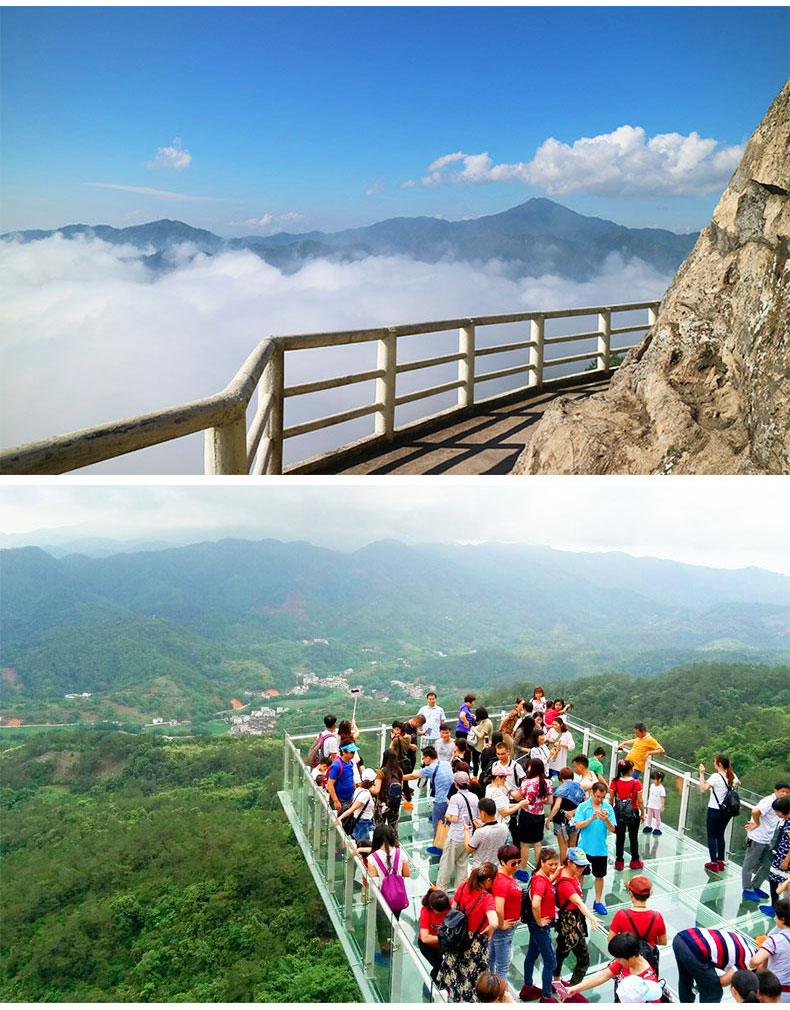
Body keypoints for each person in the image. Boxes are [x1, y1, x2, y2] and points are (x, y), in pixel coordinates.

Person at [436, 862, 499, 1003]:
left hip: (458, 936)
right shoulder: (487, 898)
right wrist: (487, 930)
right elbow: (494, 922)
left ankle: (455, 998)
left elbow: (453, 908)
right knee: (472, 978)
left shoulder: (464, 885)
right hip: (474, 942)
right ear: (488, 880)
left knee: (455, 971)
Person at [565, 932, 663, 1002]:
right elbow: (602, 976)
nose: (617, 961)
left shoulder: (649, 982)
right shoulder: (625, 961)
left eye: (618, 958)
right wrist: (575, 988)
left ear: (631, 957)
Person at [554, 847, 602, 988]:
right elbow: (578, 902)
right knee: (584, 959)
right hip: (570, 922)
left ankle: (555, 980)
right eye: (579, 865)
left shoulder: (566, 872)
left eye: (584, 865)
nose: (582, 868)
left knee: (562, 951)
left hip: (570, 920)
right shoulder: (566, 883)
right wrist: (591, 917)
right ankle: (572, 989)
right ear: (569, 862)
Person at [672, 926, 758, 1003]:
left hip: (683, 937)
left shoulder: (748, 947)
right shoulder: (749, 963)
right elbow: (722, 981)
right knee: (714, 992)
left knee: (686, 979)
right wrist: (704, 983)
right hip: (695, 949)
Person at [519, 847, 560, 1003]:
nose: (554, 867)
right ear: (541, 862)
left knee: (531, 955)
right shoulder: (540, 882)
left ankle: (528, 987)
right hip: (540, 927)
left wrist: (554, 875)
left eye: (556, 864)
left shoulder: (539, 877)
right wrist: (539, 921)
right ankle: (546, 997)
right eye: (551, 864)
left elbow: (543, 886)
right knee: (550, 962)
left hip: (537, 925)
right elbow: (536, 903)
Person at [570, 781, 617, 915]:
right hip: (584, 848)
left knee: (599, 876)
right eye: (597, 796)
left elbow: (613, 829)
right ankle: (578, 900)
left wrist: (606, 820)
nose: (599, 799)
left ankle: (597, 901)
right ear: (592, 793)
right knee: (580, 875)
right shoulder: (583, 807)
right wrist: (591, 819)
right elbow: (578, 825)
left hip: (600, 849)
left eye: (602, 797)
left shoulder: (608, 808)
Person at [367, 824, 411, 962]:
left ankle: (386, 953)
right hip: (397, 897)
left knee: (382, 926)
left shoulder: (373, 858)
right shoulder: (400, 853)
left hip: (382, 898)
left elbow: (373, 881)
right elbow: (407, 873)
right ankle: (394, 944)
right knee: (394, 921)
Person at [608, 876, 667, 970]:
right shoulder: (657, 916)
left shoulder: (621, 914)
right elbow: (663, 942)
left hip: (627, 960)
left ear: (631, 894)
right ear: (649, 894)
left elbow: (610, 939)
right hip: (648, 962)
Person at [743, 784, 790, 902]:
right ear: (776, 790)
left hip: (766, 840)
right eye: (782, 791)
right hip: (756, 839)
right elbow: (755, 811)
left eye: (787, 792)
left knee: (768, 864)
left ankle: (755, 886)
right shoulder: (769, 801)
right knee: (750, 865)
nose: (784, 794)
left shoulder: (781, 805)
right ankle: (747, 889)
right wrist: (756, 823)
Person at [437, 771, 480, 890]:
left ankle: (441, 892)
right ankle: (460, 894)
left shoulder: (455, 798)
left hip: (455, 837)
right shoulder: (474, 797)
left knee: (446, 865)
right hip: (468, 837)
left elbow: (454, 818)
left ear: (456, 784)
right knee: (462, 866)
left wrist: (447, 816)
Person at [513, 757, 554, 881]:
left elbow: (518, 798)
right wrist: (540, 800)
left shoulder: (527, 782)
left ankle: (523, 871)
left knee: (525, 844)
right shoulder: (548, 782)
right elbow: (550, 801)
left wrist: (509, 789)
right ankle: (538, 870)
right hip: (539, 815)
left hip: (527, 815)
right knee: (537, 844)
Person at [699, 753, 741, 872]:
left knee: (712, 835)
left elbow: (703, 789)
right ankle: (720, 861)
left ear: (719, 764)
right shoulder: (732, 775)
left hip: (714, 809)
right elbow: (739, 783)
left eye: (715, 761)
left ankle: (713, 862)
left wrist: (701, 774)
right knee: (720, 834)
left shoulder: (715, 777)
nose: (714, 763)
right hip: (726, 811)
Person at [490, 844, 522, 979]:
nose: (517, 865)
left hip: (505, 927)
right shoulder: (502, 881)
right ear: (502, 862)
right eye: (513, 863)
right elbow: (498, 906)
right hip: (503, 930)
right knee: (502, 967)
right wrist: (501, 924)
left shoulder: (505, 876)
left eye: (519, 862)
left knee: (491, 958)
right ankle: (502, 996)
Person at [404, 745, 454, 832]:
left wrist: (398, 777)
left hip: (440, 801)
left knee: (437, 827)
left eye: (423, 758)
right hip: (452, 799)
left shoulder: (430, 768)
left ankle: (438, 844)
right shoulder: (446, 764)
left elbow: (413, 776)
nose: (423, 760)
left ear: (428, 758)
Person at [749, 897, 790, 1001]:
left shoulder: (775, 941)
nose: (774, 917)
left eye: (776, 915)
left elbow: (756, 960)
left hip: (776, 992)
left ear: (783, 919)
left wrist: (751, 966)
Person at [609, 759, 645, 870]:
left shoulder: (614, 782)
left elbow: (611, 800)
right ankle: (635, 861)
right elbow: (640, 801)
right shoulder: (636, 783)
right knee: (633, 837)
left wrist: (611, 813)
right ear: (629, 770)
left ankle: (619, 861)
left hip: (618, 812)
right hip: (633, 812)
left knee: (620, 837)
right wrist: (642, 813)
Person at [546, 767, 584, 863]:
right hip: (574, 819)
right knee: (572, 844)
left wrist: (548, 819)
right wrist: (573, 812)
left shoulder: (562, 788)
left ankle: (563, 866)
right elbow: (583, 804)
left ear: (561, 779)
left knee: (562, 845)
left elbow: (557, 806)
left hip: (559, 820)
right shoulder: (579, 787)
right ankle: (572, 864)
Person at [466, 797, 510, 870]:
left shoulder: (480, 832)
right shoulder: (504, 827)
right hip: (496, 868)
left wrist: (467, 831)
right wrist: (481, 827)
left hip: (480, 869)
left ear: (482, 813)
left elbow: (469, 849)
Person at [418, 887, 450, 983]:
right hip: (428, 946)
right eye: (438, 911)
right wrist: (445, 937)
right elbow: (425, 937)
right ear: (432, 907)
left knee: (445, 965)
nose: (441, 913)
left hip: (442, 945)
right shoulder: (425, 912)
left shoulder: (448, 905)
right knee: (438, 965)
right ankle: (431, 986)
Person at [338, 766, 377, 842]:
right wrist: (340, 818)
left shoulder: (359, 790)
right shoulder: (365, 795)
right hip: (363, 824)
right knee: (363, 844)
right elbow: (352, 809)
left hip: (363, 822)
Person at [371, 748, 403, 829]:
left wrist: (368, 788)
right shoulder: (399, 771)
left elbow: (376, 790)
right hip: (394, 805)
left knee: (379, 829)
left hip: (382, 804)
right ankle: (393, 841)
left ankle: (381, 841)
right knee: (393, 829)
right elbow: (401, 788)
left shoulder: (381, 772)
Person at [327, 741, 358, 814]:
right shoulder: (336, 766)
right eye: (352, 752)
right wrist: (336, 801)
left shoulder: (350, 763)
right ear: (343, 752)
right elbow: (330, 784)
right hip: (340, 799)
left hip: (350, 798)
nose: (353, 754)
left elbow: (350, 777)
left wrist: (356, 791)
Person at [469, 706, 494, 776]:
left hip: (482, 747)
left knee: (481, 763)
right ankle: (475, 777)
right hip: (478, 746)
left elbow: (481, 735)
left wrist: (473, 729)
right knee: (475, 762)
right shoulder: (483, 721)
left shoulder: (487, 723)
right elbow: (479, 728)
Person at [643, 770, 666, 836]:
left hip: (657, 806)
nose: (653, 781)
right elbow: (650, 793)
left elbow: (662, 797)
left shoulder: (661, 788)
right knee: (649, 816)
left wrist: (662, 806)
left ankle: (657, 828)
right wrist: (648, 800)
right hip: (651, 804)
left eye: (654, 779)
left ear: (659, 779)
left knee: (657, 817)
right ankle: (649, 826)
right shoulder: (652, 785)